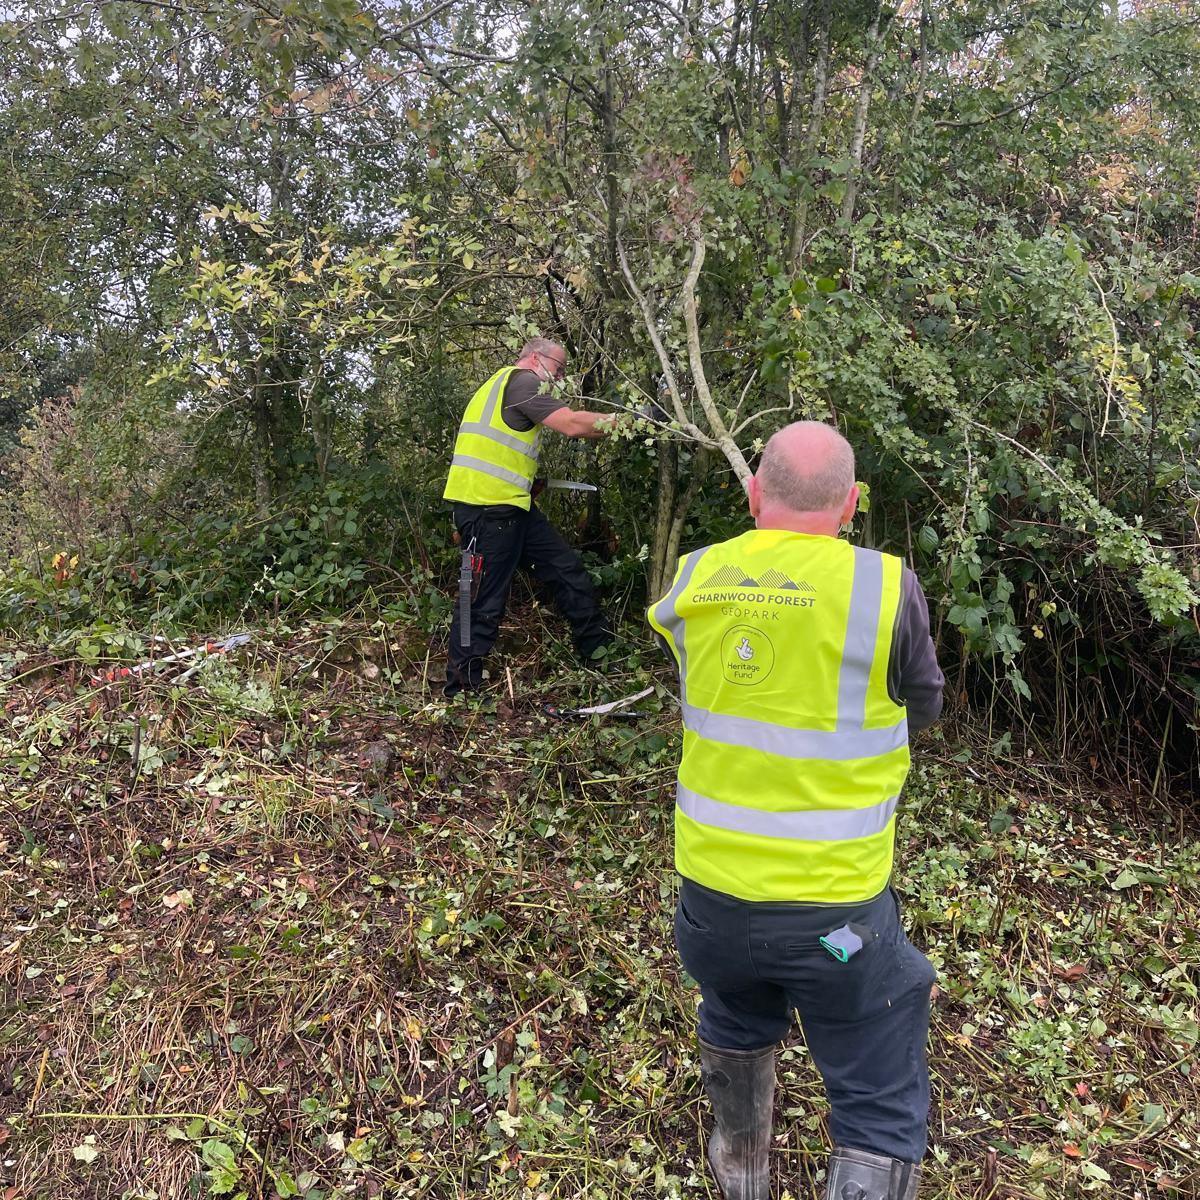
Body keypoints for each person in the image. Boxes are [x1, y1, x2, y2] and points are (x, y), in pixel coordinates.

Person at [647, 421, 944, 1200]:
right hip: (837, 927)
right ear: (850, 505)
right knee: (876, 1085)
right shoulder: (886, 588)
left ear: (753, 494)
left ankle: (740, 1172)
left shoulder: (696, 579)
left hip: (712, 913)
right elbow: (927, 706)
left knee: (738, 1017)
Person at [442, 338, 614, 696]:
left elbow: (496, 451)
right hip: (489, 512)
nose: (560, 378)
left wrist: (526, 483)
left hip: (512, 508)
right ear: (535, 358)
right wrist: (630, 423)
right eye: (559, 368)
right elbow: (571, 424)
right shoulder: (522, 382)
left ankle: (600, 659)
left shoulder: (497, 387)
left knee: (568, 572)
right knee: (480, 603)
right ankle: (461, 692)